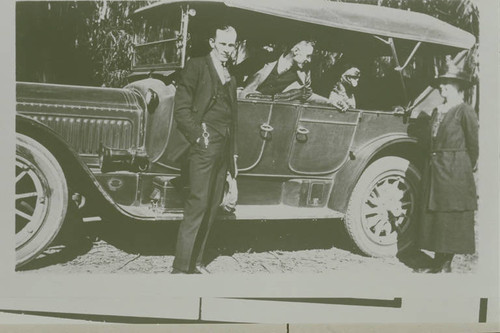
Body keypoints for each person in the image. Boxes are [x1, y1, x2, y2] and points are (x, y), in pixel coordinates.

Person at [171, 24, 239, 274]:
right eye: (223, 44)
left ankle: (196, 262)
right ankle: (180, 267)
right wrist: (199, 136)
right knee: (198, 204)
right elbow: (181, 109)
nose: (227, 50)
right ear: (213, 42)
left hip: (222, 150)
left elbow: (233, 118)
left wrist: (232, 158)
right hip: (204, 146)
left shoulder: (230, 75)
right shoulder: (196, 66)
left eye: (232, 45)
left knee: (212, 207)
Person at [415, 63, 478, 273]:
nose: (442, 89)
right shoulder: (438, 110)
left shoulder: (465, 111)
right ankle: (437, 260)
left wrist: (464, 166)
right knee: (437, 216)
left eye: (447, 85)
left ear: (459, 88)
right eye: (441, 85)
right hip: (435, 168)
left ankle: (445, 264)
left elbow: (473, 145)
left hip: (455, 170)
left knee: (450, 216)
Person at [239, 40, 321, 102]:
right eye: (308, 56)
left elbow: (308, 95)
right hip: (246, 106)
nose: (309, 60)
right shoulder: (264, 59)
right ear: (296, 51)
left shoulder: (303, 75)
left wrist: (330, 102)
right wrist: (239, 92)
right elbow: (236, 73)